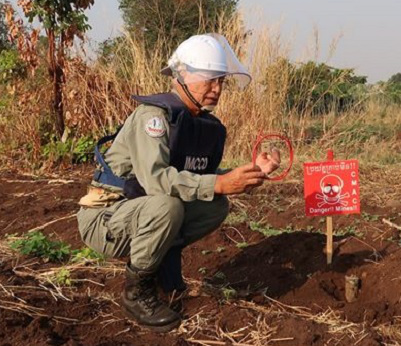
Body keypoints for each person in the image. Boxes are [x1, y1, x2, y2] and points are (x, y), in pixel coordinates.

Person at [76, 33, 280, 332]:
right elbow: (157, 180)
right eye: (209, 79)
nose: (216, 89)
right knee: (168, 206)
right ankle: (137, 293)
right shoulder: (154, 117)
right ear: (181, 75)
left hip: (139, 211)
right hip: (105, 219)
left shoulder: (192, 120)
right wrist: (219, 183)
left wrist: (248, 173)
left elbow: (191, 174)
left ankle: (160, 266)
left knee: (214, 206)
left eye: (221, 81)